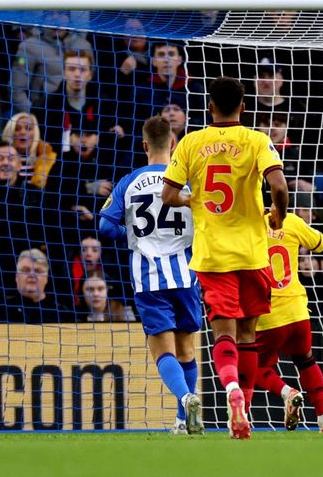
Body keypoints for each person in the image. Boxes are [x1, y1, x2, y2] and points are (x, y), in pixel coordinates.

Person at [161, 76, 288, 440]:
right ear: (244, 107)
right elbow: (278, 186)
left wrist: (191, 199)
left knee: (223, 334)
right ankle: (243, 407)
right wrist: (279, 213)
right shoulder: (256, 140)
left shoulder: (190, 142)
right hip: (251, 252)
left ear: (209, 107)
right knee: (249, 334)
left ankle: (230, 389)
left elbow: (168, 195)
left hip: (213, 255)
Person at [98, 116, 203, 435]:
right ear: (173, 144)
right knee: (187, 350)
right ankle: (183, 420)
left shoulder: (129, 182)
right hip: (186, 276)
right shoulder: (188, 182)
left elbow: (104, 226)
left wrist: (134, 234)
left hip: (148, 278)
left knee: (162, 351)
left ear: (144, 145)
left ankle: (185, 399)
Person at [253, 196, 323, 433]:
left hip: (266, 312)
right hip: (297, 309)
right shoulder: (292, 221)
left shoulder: (251, 223)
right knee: (306, 361)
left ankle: (287, 392)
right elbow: (320, 243)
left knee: (255, 367)